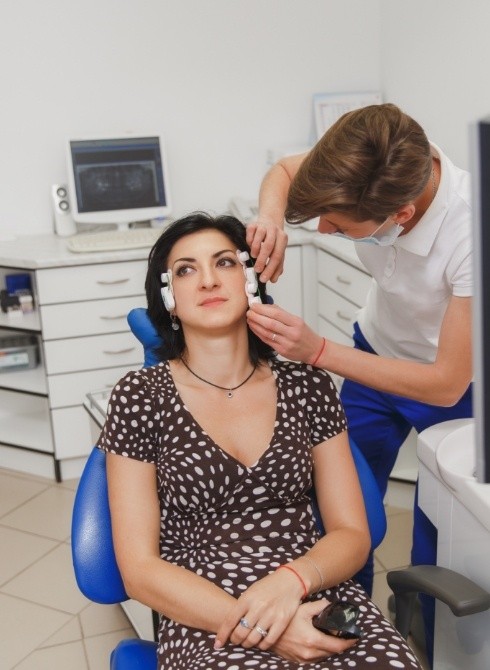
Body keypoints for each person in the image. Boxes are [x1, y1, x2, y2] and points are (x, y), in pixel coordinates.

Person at [97, 212, 422, 669]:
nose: (208, 280)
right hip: (204, 611)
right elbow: (140, 570)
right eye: (187, 270)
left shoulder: (307, 385)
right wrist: (263, 627)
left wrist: (290, 581)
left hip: (310, 588)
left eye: (225, 262)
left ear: (251, 279)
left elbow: (352, 531)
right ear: (169, 298)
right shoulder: (139, 396)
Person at [244, 103, 473, 665]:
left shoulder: (471, 234)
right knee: (340, 507)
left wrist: (318, 351)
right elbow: (282, 172)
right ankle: (338, 635)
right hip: (374, 352)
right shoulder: (378, 154)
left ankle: (424, 644)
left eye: (339, 227)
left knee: (437, 540)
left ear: (401, 212)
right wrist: (272, 219)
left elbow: (444, 383)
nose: (323, 231)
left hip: (453, 387)